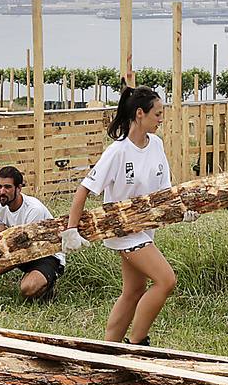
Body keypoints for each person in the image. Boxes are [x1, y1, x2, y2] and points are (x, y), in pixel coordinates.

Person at [61, 84, 197, 346]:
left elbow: (165, 191)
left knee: (133, 291)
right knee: (166, 280)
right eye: (157, 114)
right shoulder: (118, 151)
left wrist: (182, 211)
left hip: (145, 228)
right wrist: (71, 230)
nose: (161, 120)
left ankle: (108, 347)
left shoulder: (156, 145)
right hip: (123, 230)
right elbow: (84, 190)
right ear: (139, 114)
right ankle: (137, 343)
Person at [0, 166, 64, 302]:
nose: (2, 191)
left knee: (27, 289)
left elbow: (23, 253)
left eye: (7, 187)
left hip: (46, 255)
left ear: (19, 188)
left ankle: (46, 290)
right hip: (20, 253)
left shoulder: (34, 210)